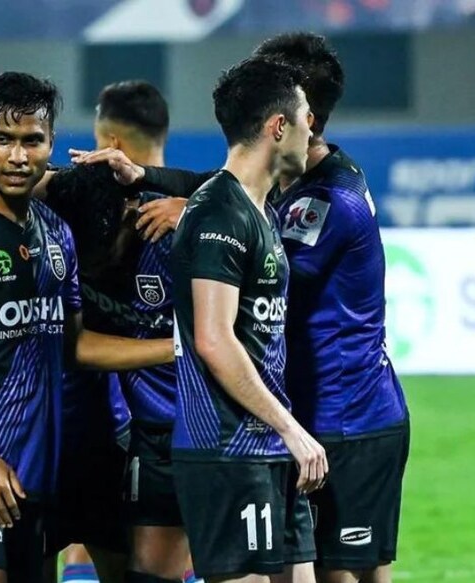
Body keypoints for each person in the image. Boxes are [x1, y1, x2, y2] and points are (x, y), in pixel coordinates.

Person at [75, 33, 412, 583]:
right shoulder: (273, 190)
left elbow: (249, 259)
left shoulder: (329, 202)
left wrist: (196, 217)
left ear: (294, 116)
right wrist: (156, 181)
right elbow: (229, 191)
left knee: (348, 575)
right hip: (286, 419)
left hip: (347, 417)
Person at [0, 72, 174, 583]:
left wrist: (181, 347)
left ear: (51, 145)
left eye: (31, 141)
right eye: (3, 141)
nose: (17, 157)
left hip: (35, 466)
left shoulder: (56, 233)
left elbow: (74, 343)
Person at [167, 57, 326, 583]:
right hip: (227, 450)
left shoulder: (257, 209)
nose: (312, 130)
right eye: (305, 117)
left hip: (270, 449)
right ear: (278, 126)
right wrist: (291, 427)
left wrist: (284, 434)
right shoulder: (219, 214)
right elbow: (214, 340)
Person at [42, 80, 195, 583]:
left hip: (164, 428)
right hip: (165, 428)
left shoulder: (185, 220)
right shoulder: (208, 211)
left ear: (110, 143)